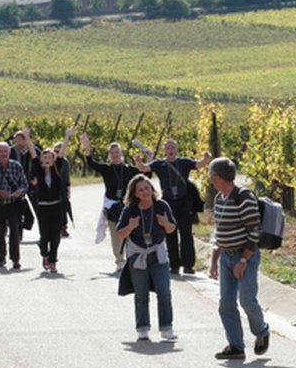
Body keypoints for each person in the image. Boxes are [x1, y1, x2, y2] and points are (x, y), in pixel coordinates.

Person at [207, 157, 271, 361]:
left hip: (245, 256)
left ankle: (261, 331)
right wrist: (214, 262)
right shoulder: (219, 198)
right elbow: (219, 232)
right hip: (226, 255)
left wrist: (243, 261)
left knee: (247, 300)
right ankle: (236, 346)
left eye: (211, 175)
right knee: (226, 302)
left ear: (217, 176)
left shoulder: (243, 197)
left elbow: (255, 231)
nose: (210, 179)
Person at [117, 174, 177, 341]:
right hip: (137, 255)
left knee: (164, 290)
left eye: (147, 188)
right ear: (135, 194)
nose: (144, 192)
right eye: (140, 190)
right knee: (141, 293)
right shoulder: (130, 210)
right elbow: (120, 233)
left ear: (152, 189)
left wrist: (166, 223)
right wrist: (130, 226)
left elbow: (172, 228)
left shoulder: (161, 205)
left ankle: (167, 327)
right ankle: (142, 327)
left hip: (158, 254)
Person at [81, 133, 145, 272]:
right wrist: (87, 148)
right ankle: (119, 260)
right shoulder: (107, 169)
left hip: (128, 205)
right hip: (112, 207)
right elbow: (92, 163)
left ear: (121, 153)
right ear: (109, 154)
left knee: (131, 233)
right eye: (113, 152)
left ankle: (132, 259)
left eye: (117, 152)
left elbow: (145, 174)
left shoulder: (129, 169)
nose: (115, 154)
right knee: (116, 235)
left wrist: (147, 160)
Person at [147, 139, 211, 274]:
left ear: (177, 150)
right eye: (168, 147)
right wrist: (139, 162)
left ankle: (188, 265)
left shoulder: (184, 162)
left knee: (186, 234)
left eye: (173, 147)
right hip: (168, 203)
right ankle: (174, 265)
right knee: (170, 234)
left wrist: (206, 158)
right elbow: (144, 168)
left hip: (184, 203)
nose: (170, 150)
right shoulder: (159, 164)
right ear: (165, 150)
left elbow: (199, 164)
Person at [0, 141, 30, 270]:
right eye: (1, 151)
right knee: (0, 231)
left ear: (9, 152)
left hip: (13, 204)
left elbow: (25, 184)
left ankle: (15, 259)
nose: (3, 153)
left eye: (5, 151)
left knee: (14, 230)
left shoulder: (16, 166)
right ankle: (1, 258)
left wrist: (19, 191)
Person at [33, 148, 68, 273]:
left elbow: (62, 155)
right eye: (45, 157)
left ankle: (53, 260)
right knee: (44, 234)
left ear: (53, 160)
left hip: (56, 206)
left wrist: (67, 136)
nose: (47, 160)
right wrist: (27, 138)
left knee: (55, 235)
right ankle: (45, 253)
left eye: (50, 157)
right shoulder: (38, 170)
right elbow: (33, 154)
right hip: (43, 207)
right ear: (41, 160)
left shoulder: (56, 169)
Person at [52, 139, 73, 238]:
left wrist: (68, 191)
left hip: (62, 188)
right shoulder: (49, 161)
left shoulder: (65, 162)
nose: (57, 153)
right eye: (55, 151)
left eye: (59, 151)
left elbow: (67, 178)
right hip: (51, 188)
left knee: (63, 208)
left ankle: (63, 227)